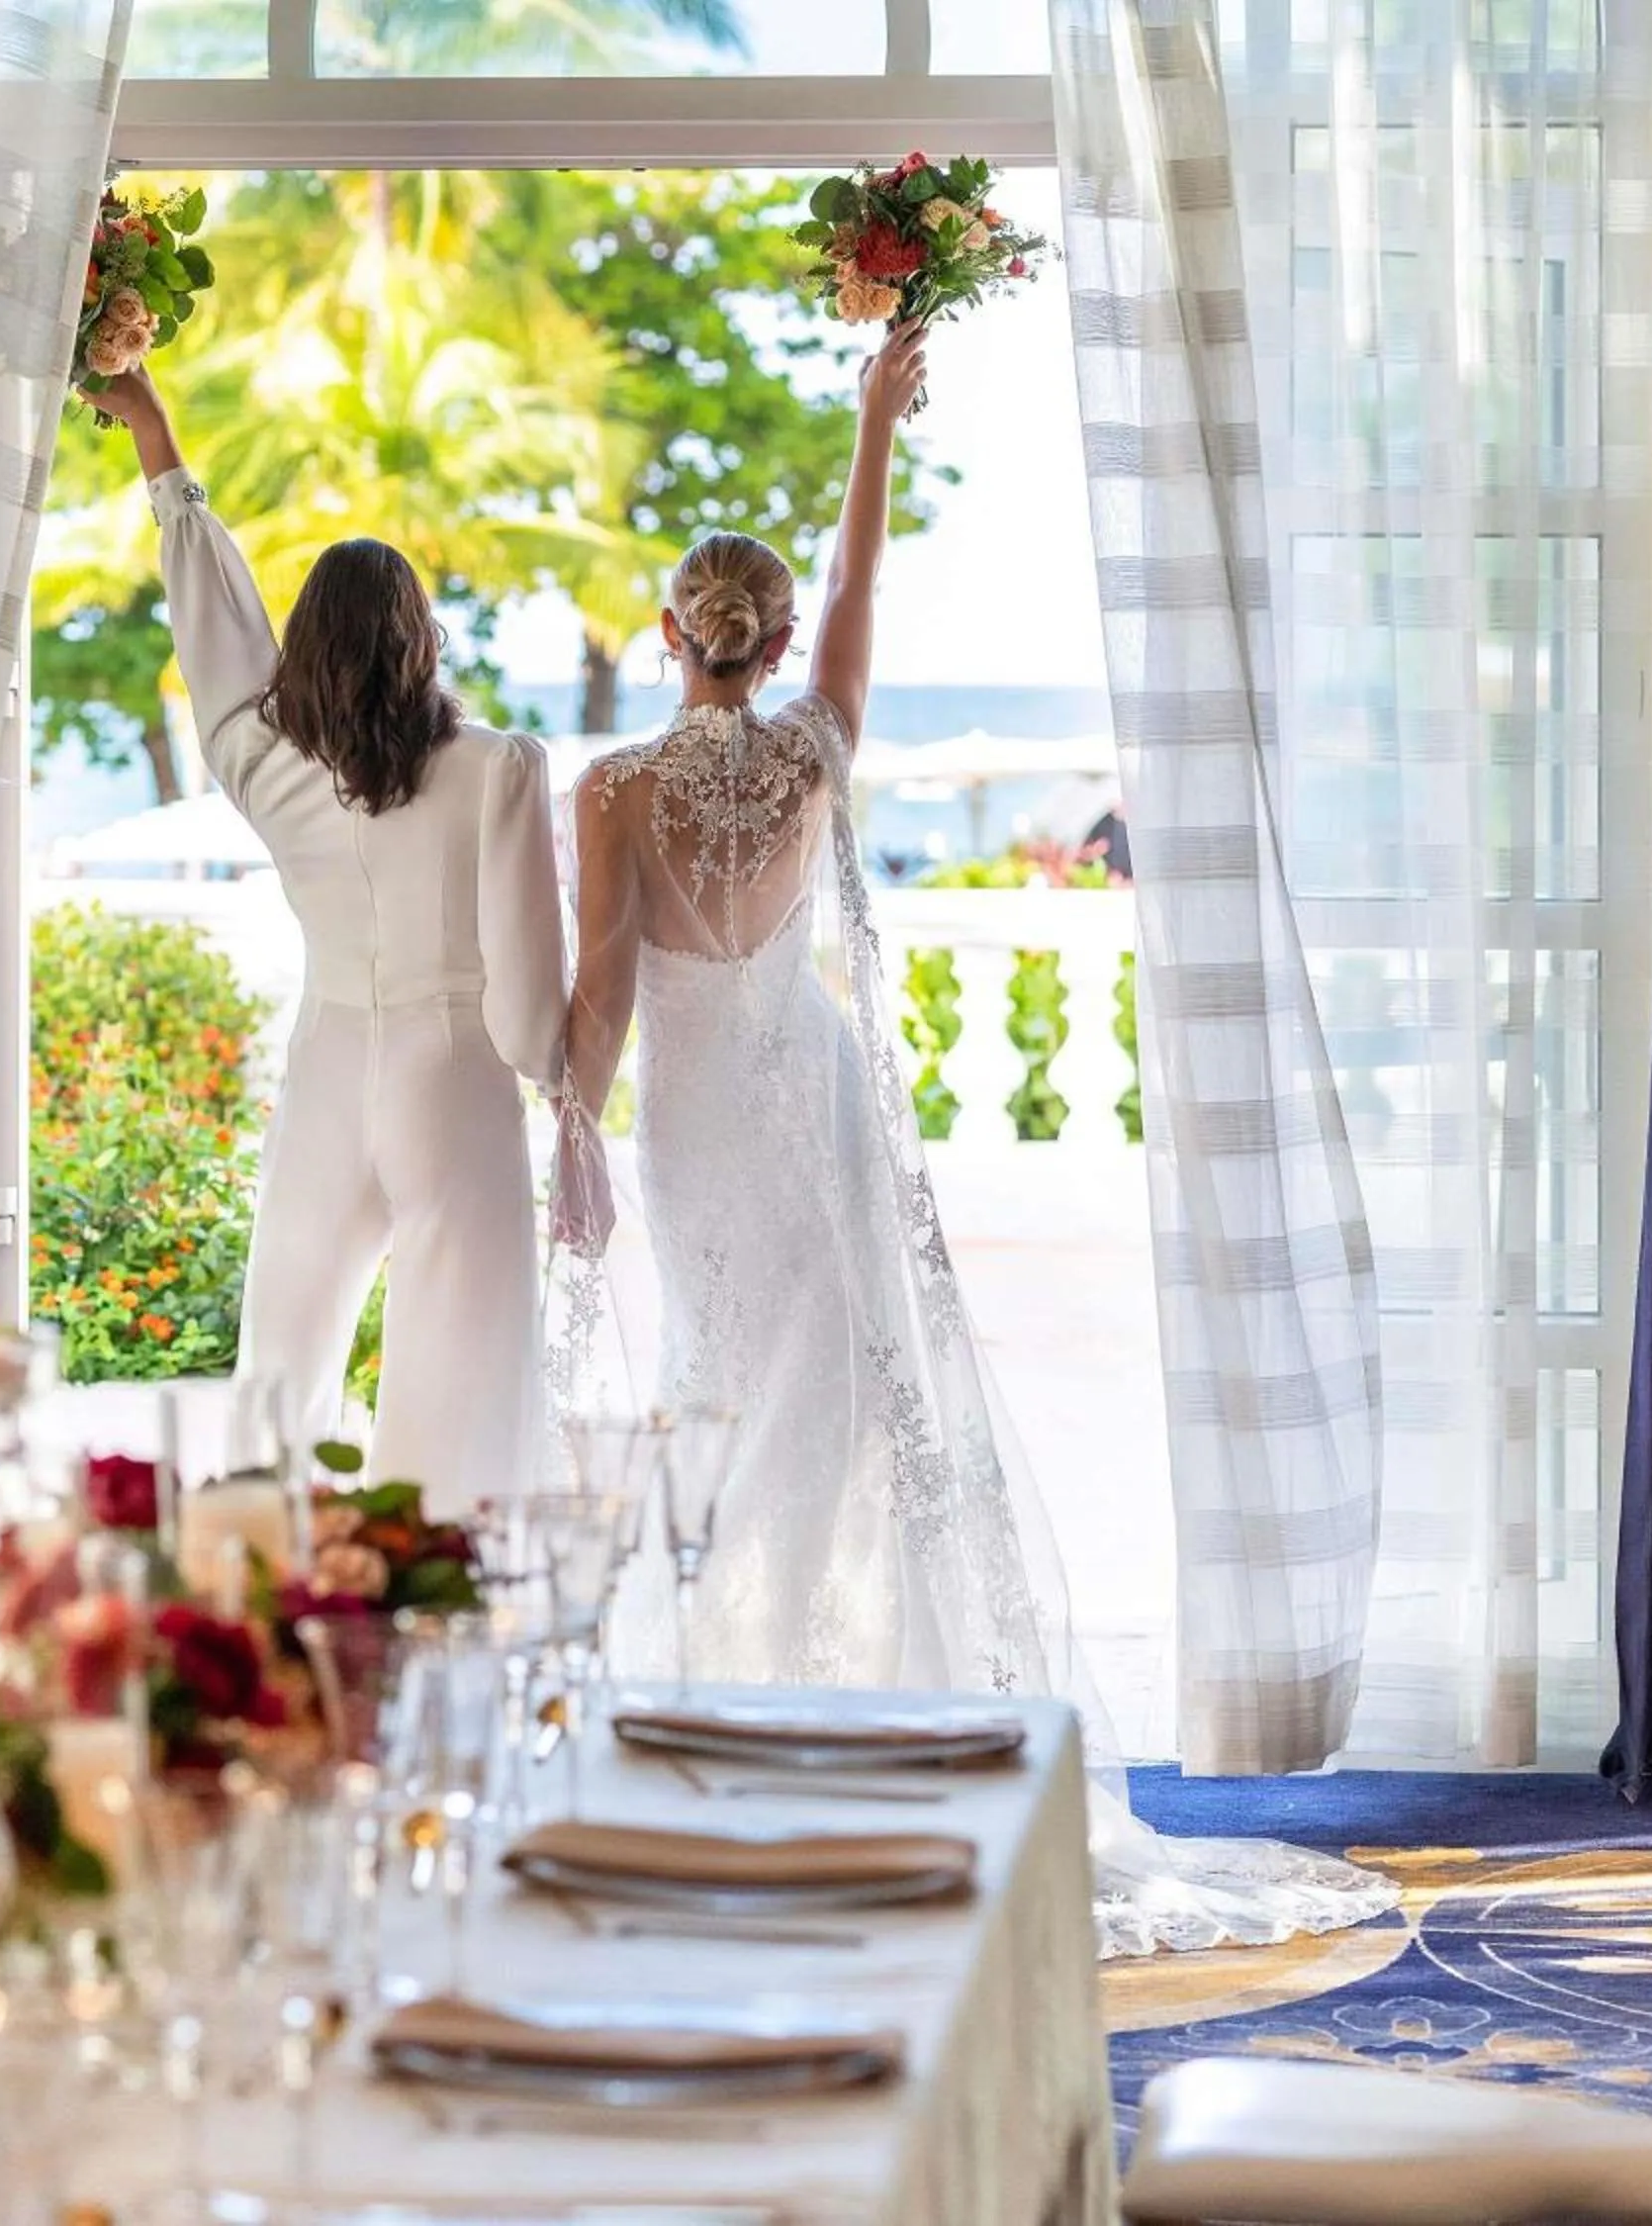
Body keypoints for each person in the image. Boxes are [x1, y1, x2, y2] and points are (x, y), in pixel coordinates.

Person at [552, 326, 1396, 1956]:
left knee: (727, 1397)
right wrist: (877, 417)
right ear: (779, 636)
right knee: (855, 1400)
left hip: (702, 1130)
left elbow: (599, 998)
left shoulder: (609, 792)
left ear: (669, 635)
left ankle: (745, 1718)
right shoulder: (815, 750)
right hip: (812, 1109)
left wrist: (564, 1122)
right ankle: (855, 1711)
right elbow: (867, 589)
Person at [95, 369, 565, 1512]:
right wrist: (567, 1093)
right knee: (457, 1387)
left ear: (305, 643)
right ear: (423, 641)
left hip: (328, 1067)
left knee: (281, 1372)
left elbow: (215, 631)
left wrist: (157, 435)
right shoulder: (498, 770)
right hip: (451, 1073)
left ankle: (255, 1604)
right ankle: (442, 1616)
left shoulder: (264, 761)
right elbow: (525, 1000)